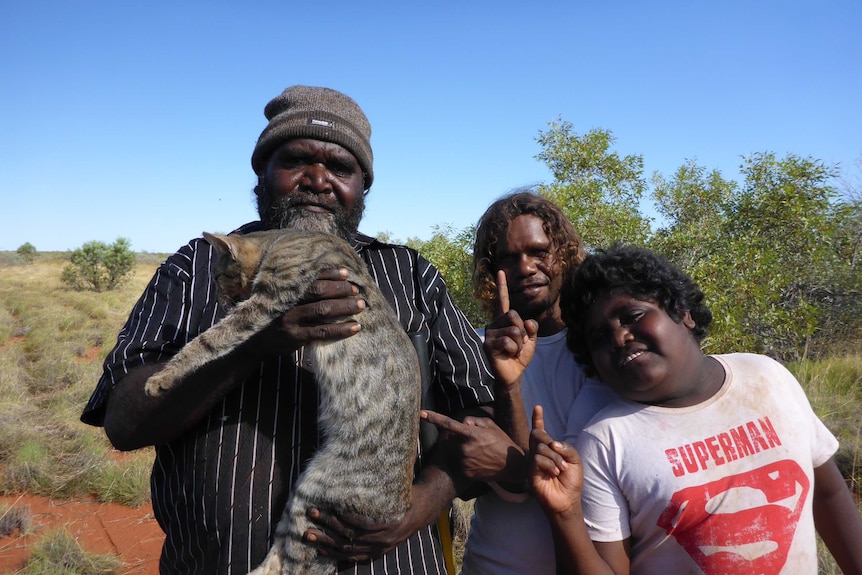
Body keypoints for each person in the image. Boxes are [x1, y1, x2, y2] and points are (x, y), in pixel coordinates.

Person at [81, 85, 496, 574]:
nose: (317, 180)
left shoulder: (408, 274)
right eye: (296, 159)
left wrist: (419, 507)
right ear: (261, 173)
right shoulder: (201, 266)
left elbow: (482, 412)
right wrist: (256, 342)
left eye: (340, 168)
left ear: (363, 186)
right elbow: (123, 422)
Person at [528, 244, 862, 574]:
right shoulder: (605, 441)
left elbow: (829, 493)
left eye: (632, 317)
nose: (619, 337)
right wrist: (564, 514)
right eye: (599, 337)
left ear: (682, 313)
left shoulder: (765, 375)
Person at [422, 190, 615, 574]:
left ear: (564, 254)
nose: (525, 267)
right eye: (509, 258)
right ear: (491, 272)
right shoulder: (468, 348)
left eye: (539, 252)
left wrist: (514, 463)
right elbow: (471, 479)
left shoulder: (605, 346)